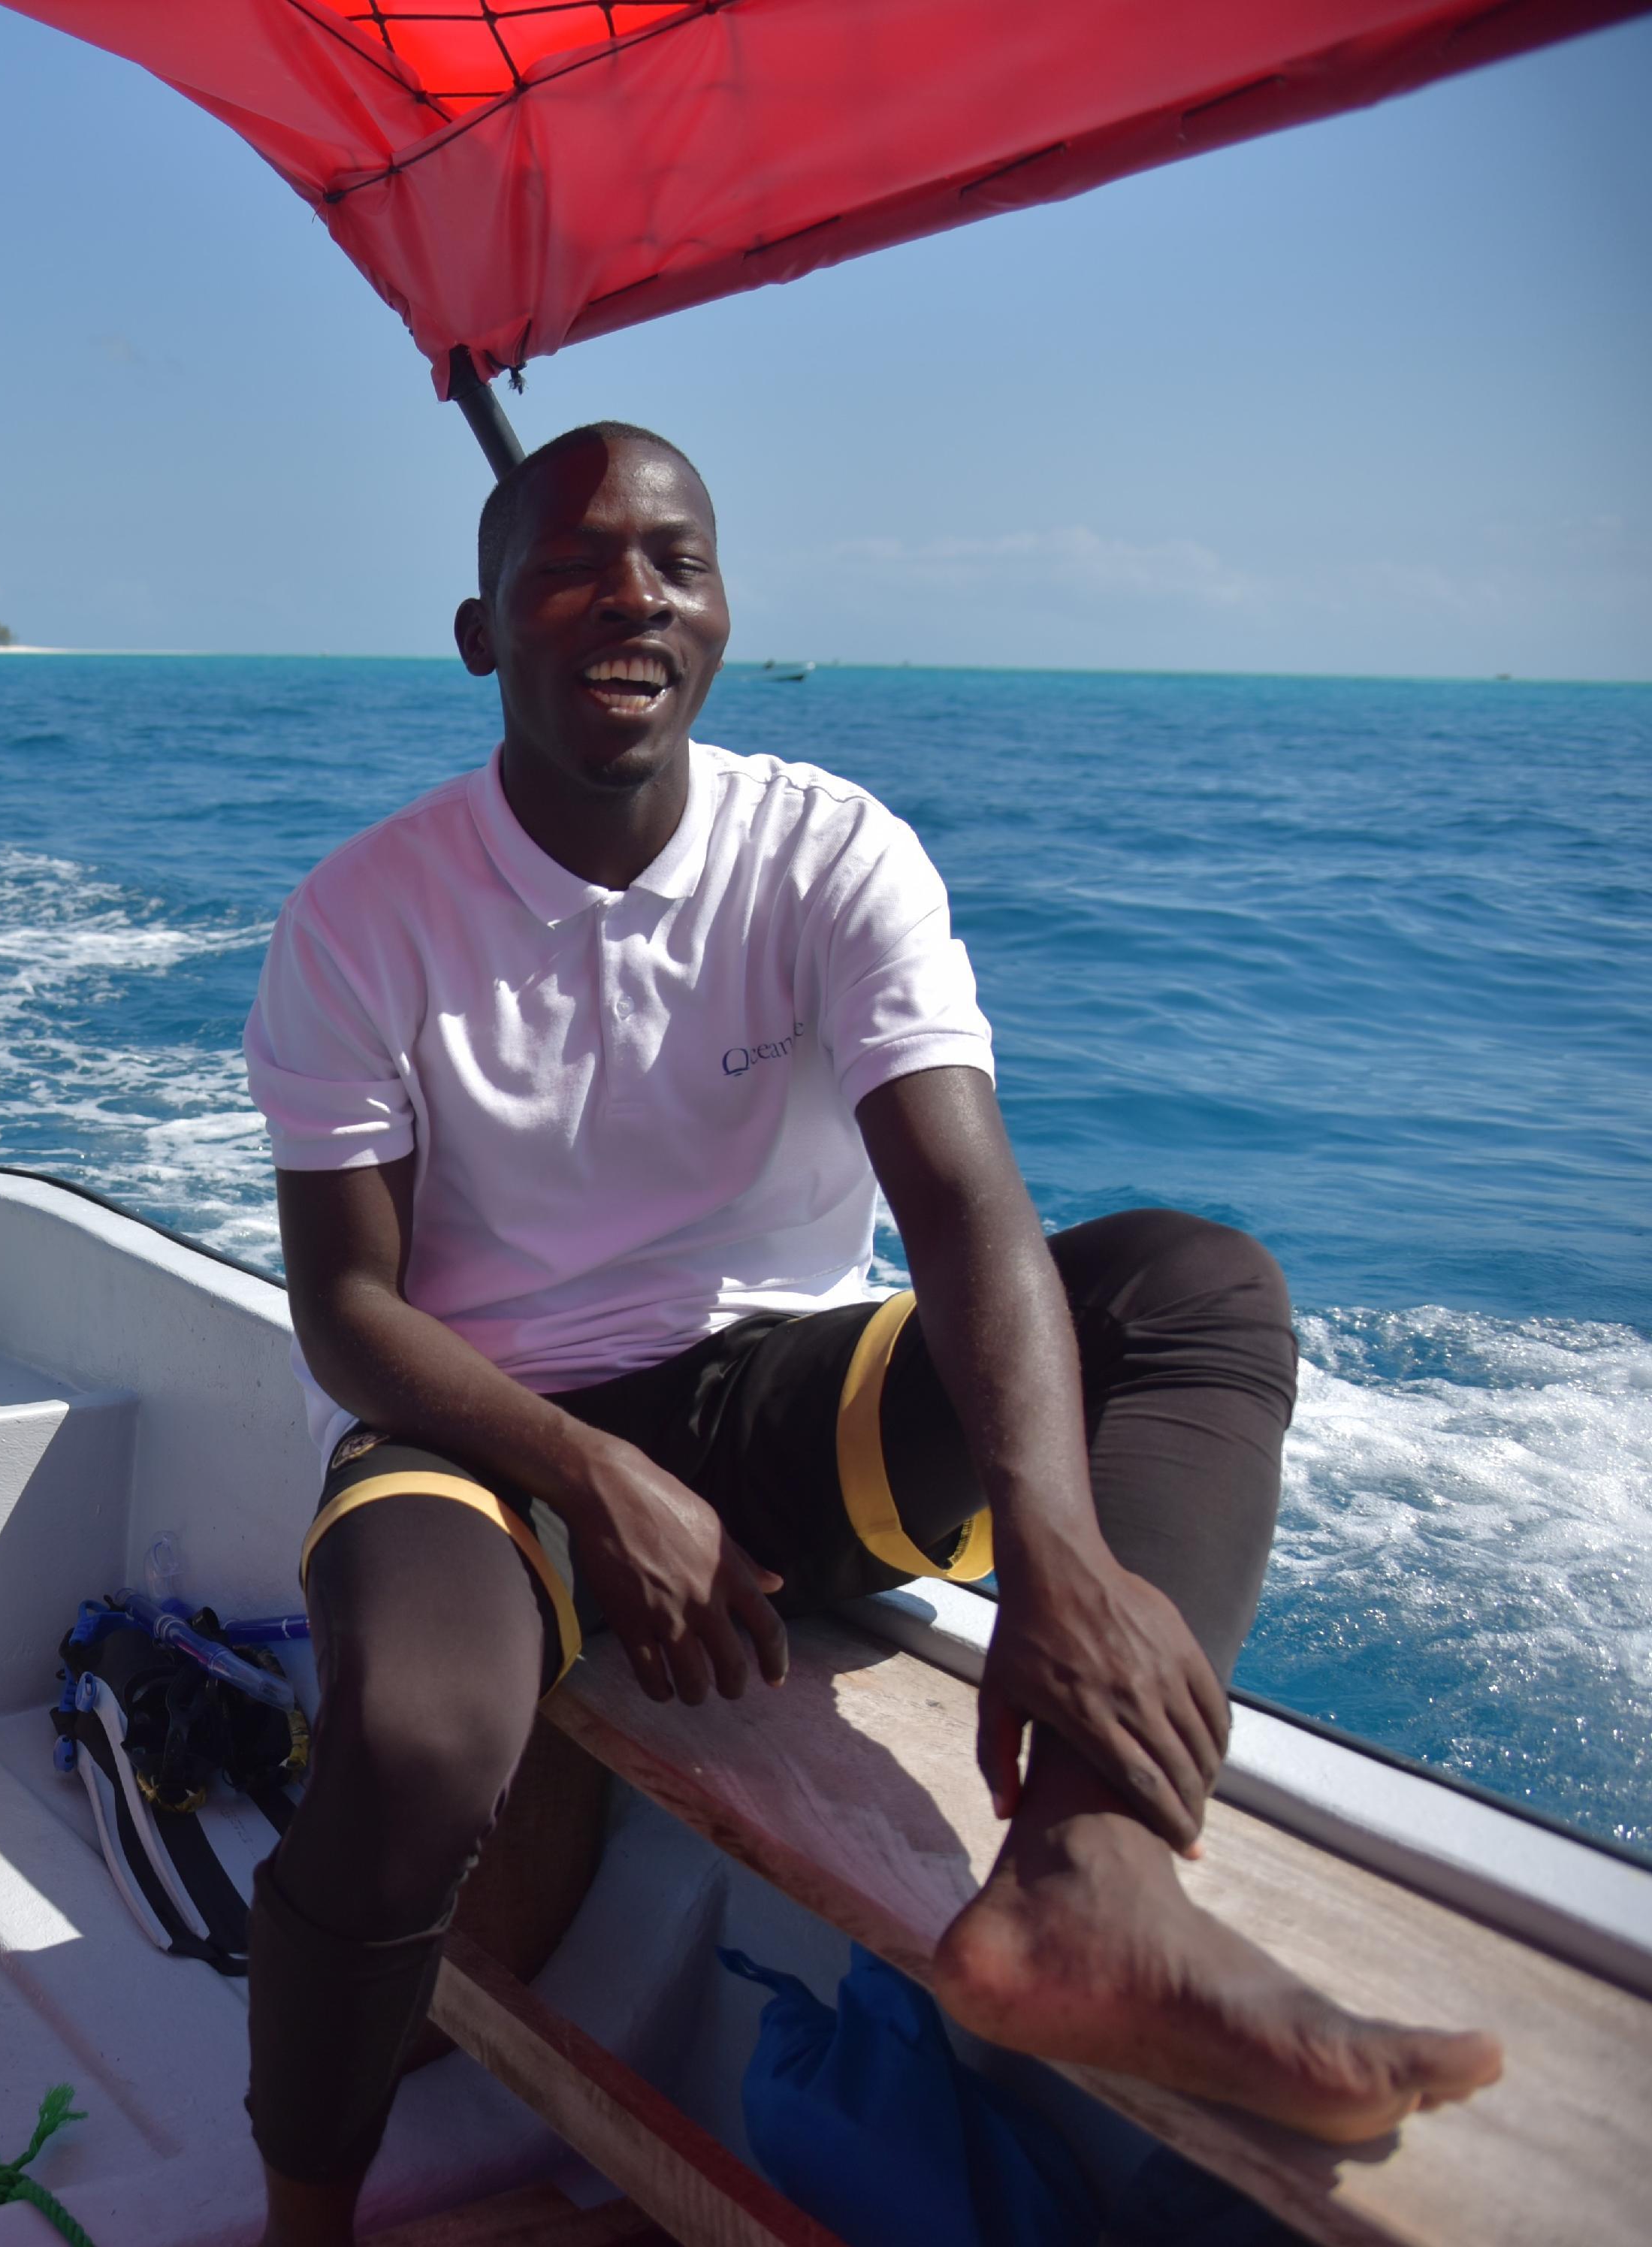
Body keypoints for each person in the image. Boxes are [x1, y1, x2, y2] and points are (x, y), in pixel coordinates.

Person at [236, 427, 1502, 2243]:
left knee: (1190, 1287)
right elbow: (350, 1310)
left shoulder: (827, 849)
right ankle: (305, 2218)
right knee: (416, 1736)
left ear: (722, 609)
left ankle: (1086, 1880)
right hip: (483, 1433)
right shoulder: (363, 916)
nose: (631, 599)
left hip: (778, 1393)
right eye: (573, 567)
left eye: (674, 561)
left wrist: (1051, 1551)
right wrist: (596, 1474)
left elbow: (966, 1209)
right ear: (477, 630)